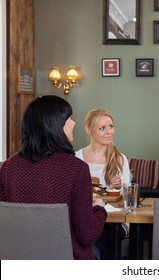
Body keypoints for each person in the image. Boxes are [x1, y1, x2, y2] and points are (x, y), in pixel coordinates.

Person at [0, 95, 107, 260]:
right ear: (55, 125)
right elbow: (86, 235)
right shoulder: (77, 168)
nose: (74, 123)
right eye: (69, 118)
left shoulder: (8, 167)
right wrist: (100, 209)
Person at [75, 109, 131, 259]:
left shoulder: (120, 159)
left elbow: (128, 198)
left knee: (103, 234)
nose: (109, 132)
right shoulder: (77, 158)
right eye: (102, 128)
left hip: (114, 221)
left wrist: (119, 189)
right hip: (85, 220)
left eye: (111, 126)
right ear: (88, 130)